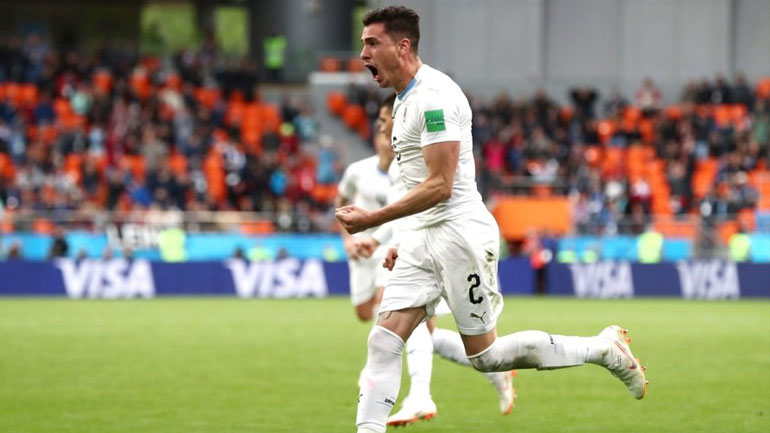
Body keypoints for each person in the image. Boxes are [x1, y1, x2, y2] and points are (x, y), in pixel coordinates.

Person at [336, 7, 648, 433]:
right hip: (422, 237)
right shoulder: (404, 100)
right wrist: (403, 238)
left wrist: (373, 219)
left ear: (403, 46)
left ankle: (603, 349)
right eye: (363, 44)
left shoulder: (434, 98)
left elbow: (441, 185)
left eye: (372, 43)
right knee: (383, 339)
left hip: (458, 236)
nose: (363, 54)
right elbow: (418, 183)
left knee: (486, 355)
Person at [356, 95, 516, 426]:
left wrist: (381, 237)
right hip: (418, 247)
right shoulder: (401, 164)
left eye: (385, 122)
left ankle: (419, 395)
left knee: (404, 324)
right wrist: (380, 239)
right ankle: (492, 373)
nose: (382, 131)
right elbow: (405, 213)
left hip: (443, 248)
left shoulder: (420, 157)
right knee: (423, 332)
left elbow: (424, 205)